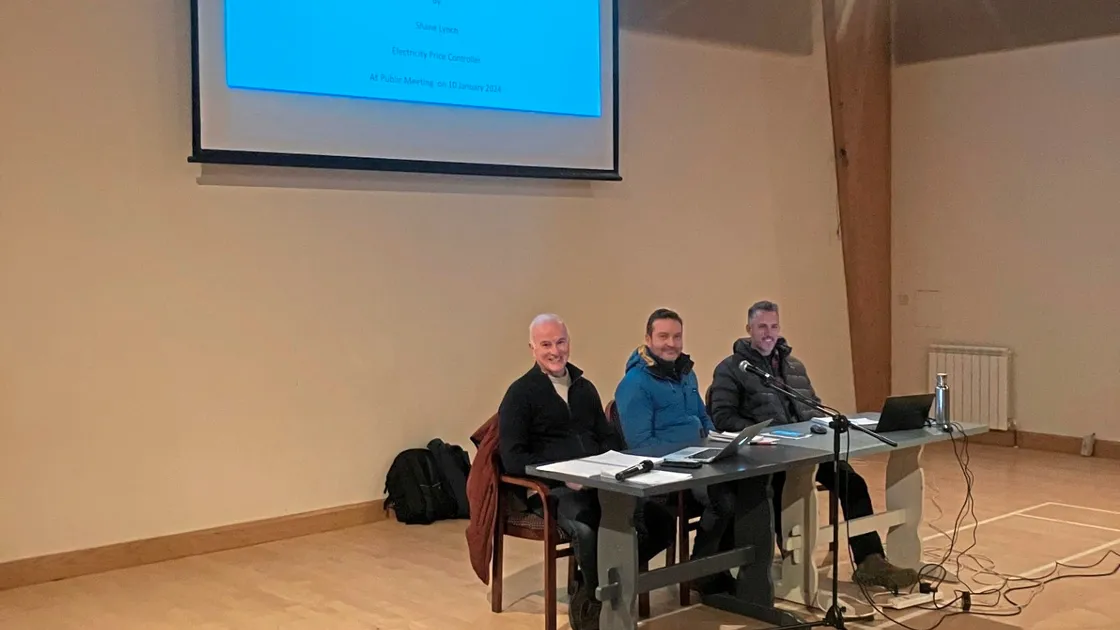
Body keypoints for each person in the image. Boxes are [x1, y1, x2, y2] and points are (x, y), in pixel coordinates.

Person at [708, 300, 919, 590]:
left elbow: (813, 406)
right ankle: (795, 569)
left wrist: (823, 423)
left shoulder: (794, 366)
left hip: (809, 451)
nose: (769, 333)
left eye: (773, 326)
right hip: (768, 459)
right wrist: (764, 434)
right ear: (749, 330)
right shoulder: (731, 369)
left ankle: (870, 560)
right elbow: (721, 417)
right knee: (785, 494)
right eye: (762, 327)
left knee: (852, 482)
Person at [498, 314, 674, 630]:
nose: (555, 351)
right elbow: (513, 458)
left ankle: (602, 584)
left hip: (599, 483)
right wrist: (561, 476)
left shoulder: (584, 388)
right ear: (532, 349)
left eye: (560, 342)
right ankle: (594, 602)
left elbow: (608, 437)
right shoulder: (519, 394)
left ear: (569, 343)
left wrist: (612, 463)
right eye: (546, 344)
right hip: (552, 490)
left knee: (660, 521)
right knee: (589, 529)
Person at [614, 308, 773, 597]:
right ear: (648, 339)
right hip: (666, 472)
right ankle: (703, 571)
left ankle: (732, 570)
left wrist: (721, 442)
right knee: (722, 499)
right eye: (663, 336)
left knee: (753, 488)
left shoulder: (687, 375)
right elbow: (640, 445)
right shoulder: (634, 384)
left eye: (677, 336)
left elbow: (704, 418)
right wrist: (687, 456)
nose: (671, 343)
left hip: (699, 460)